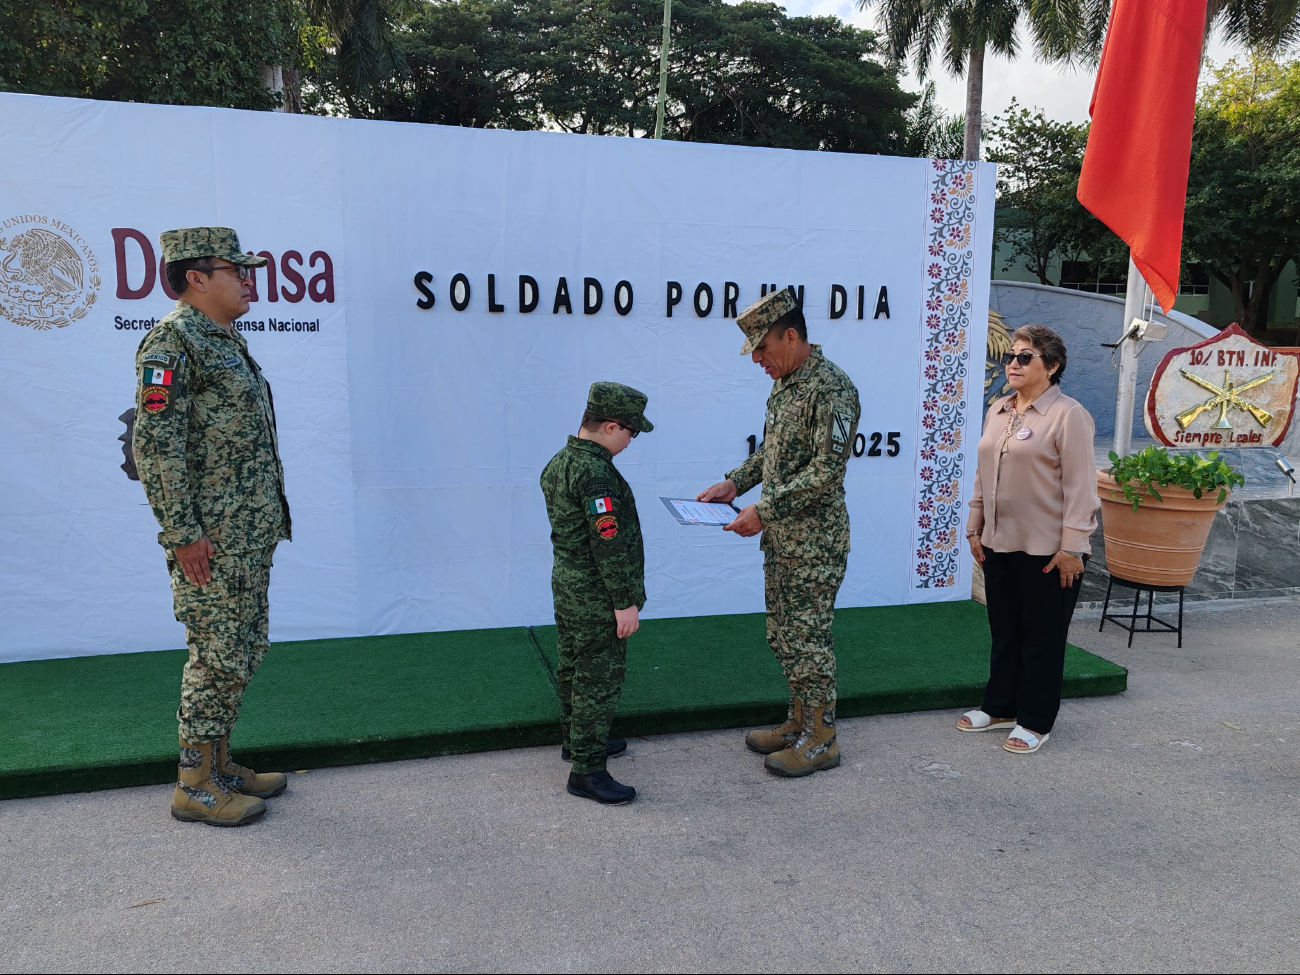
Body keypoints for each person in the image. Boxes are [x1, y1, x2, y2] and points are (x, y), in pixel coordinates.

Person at [132, 227, 292, 826]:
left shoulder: (224, 339)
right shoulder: (173, 343)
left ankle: (221, 764)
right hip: (211, 540)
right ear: (196, 278)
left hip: (246, 533)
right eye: (237, 270)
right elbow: (158, 448)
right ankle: (194, 785)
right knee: (216, 655)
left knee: (243, 650)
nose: (249, 280)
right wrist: (182, 533)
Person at [697, 287, 861, 777]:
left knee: (808, 638)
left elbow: (825, 473)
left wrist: (763, 510)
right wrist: (734, 482)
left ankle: (823, 739)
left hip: (815, 542)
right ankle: (798, 723)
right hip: (784, 540)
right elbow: (775, 452)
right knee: (784, 635)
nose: (758, 361)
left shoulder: (833, 389)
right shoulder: (788, 383)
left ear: (791, 337)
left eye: (762, 349)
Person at [959, 324, 1098, 754]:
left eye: (1025, 357)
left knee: (1042, 637)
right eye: (1011, 356)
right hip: (999, 543)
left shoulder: (1068, 414)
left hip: (1050, 551)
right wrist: (974, 526)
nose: (1013, 364)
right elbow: (984, 474)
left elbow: (1081, 487)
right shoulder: (999, 409)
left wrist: (1072, 547)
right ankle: (1000, 706)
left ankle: (1036, 719)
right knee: (1005, 631)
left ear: (1052, 366)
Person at [540, 382, 653, 804]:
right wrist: (624, 602)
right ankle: (586, 771)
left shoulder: (560, 463)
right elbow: (608, 543)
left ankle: (578, 740)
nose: (631, 439)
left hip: (568, 586)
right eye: (631, 431)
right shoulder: (596, 475)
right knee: (597, 680)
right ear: (610, 427)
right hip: (596, 595)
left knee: (572, 666)